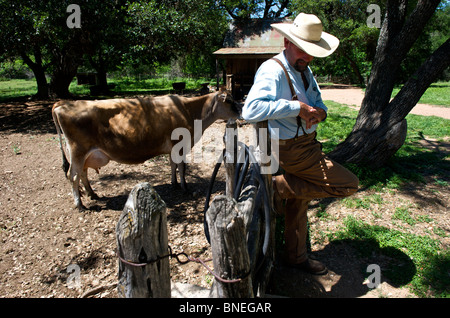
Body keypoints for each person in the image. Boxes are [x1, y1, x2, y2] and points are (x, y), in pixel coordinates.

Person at [242, 13, 359, 275]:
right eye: (303, 50)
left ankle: (295, 257)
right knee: (348, 184)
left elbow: (318, 101)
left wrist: (321, 113)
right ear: (287, 43)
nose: (307, 56)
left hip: (306, 144)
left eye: (312, 52)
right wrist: (297, 108)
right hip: (292, 150)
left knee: (300, 199)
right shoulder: (273, 69)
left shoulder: (304, 69)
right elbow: (250, 110)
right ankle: (277, 188)